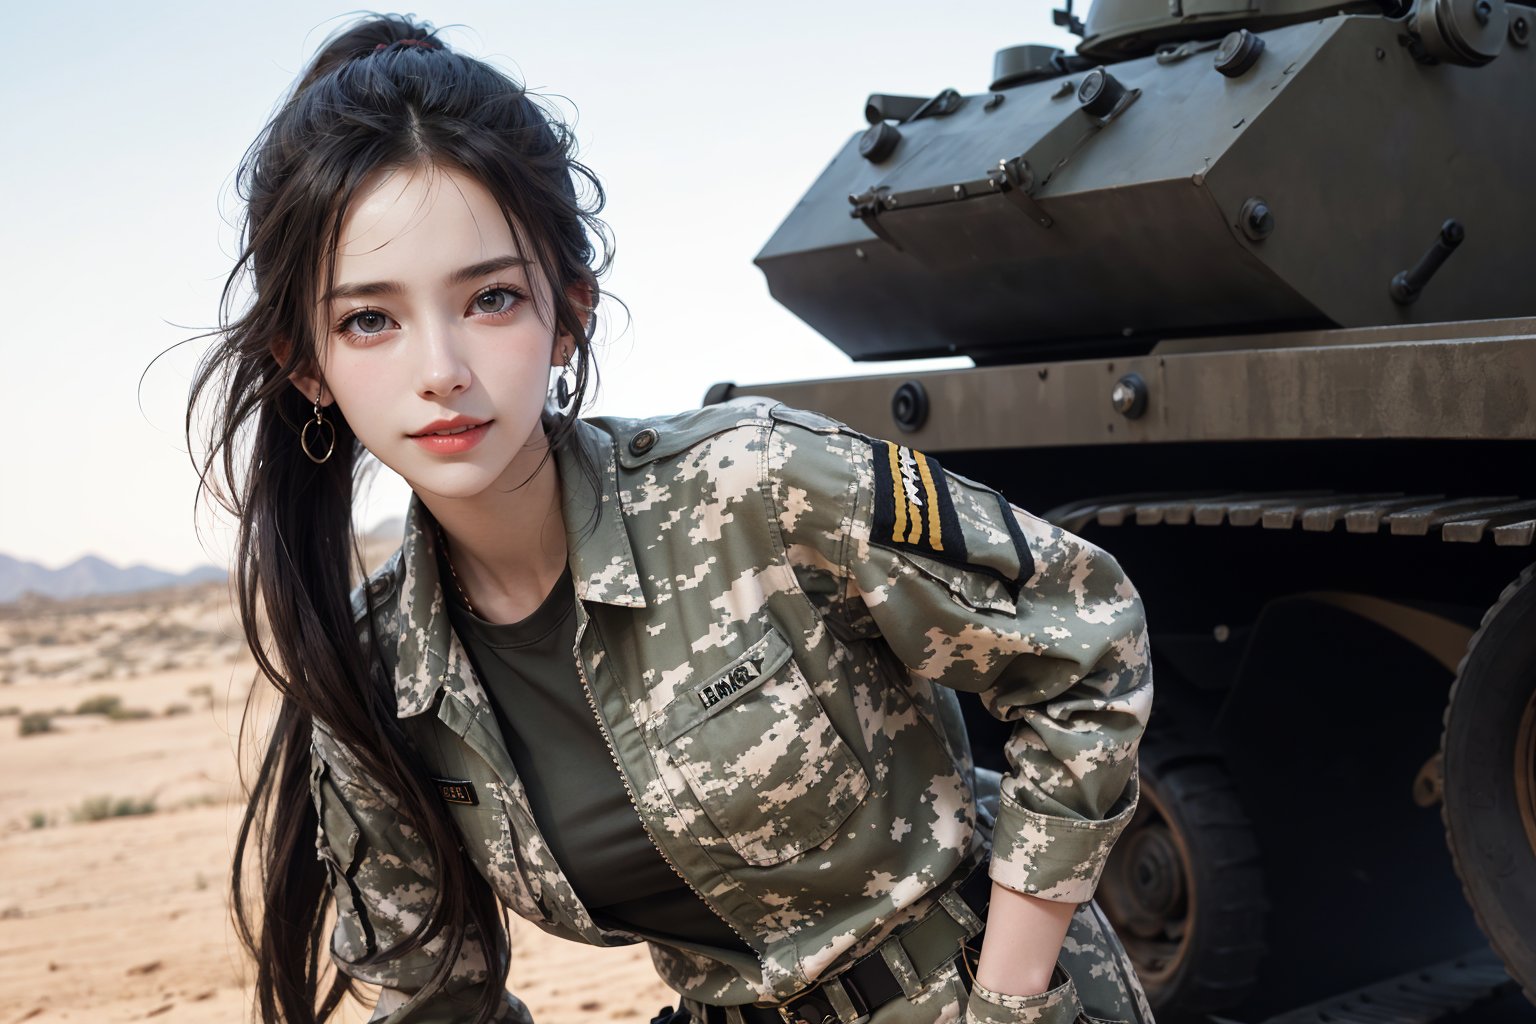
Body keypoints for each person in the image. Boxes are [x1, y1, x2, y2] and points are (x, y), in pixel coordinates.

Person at [191, 15, 1155, 1024]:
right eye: (369, 319)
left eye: (490, 299)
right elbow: (432, 999)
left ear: (568, 313)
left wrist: (1008, 998)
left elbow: (1084, 641)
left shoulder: (751, 484)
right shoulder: (374, 668)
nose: (441, 371)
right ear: (307, 365)